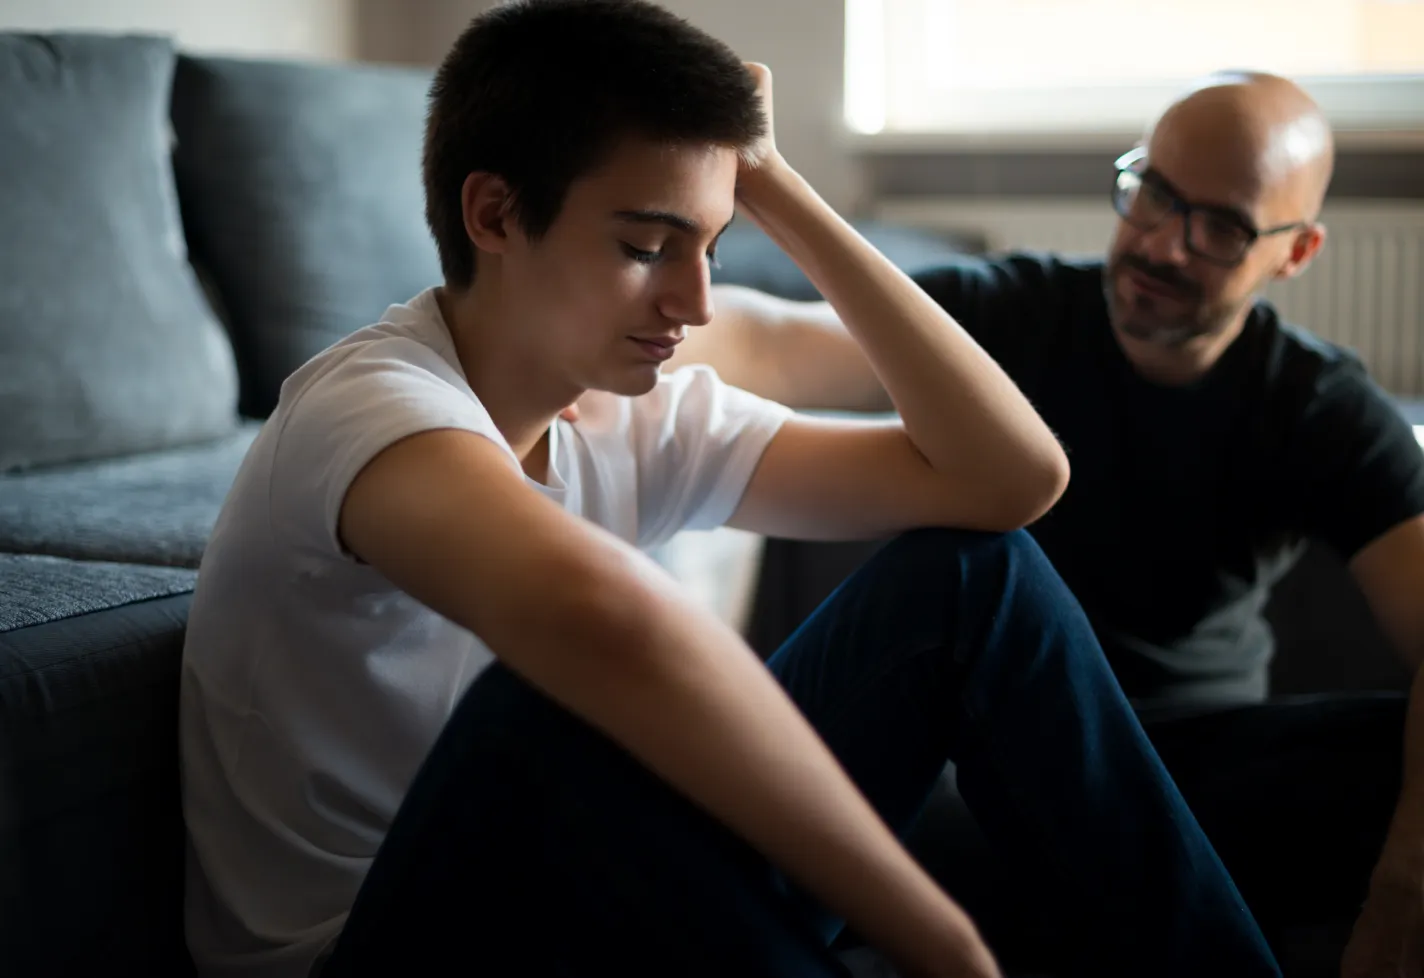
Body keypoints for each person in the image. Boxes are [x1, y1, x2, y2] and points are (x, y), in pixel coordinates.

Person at [177, 4, 1284, 977]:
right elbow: (611, 625)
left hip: (580, 900)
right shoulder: (373, 412)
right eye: (648, 246)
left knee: (968, 577)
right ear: (495, 215)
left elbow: (1009, 481)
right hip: (386, 945)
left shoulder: (634, 412)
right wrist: (938, 942)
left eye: (708, 246)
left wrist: (778, 187)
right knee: (548, 708)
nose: (696, 303)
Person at [673, 70, 1424, 975]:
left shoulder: (1317, 404)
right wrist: (601, 323)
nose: (1163, 245)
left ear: (1294, 252)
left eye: (1220, 227)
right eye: (1152, 194)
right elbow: (777, 340)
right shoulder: (1019, 313)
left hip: (1195, 774)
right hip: (988, 775)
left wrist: (1400, 893)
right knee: (967, 577)